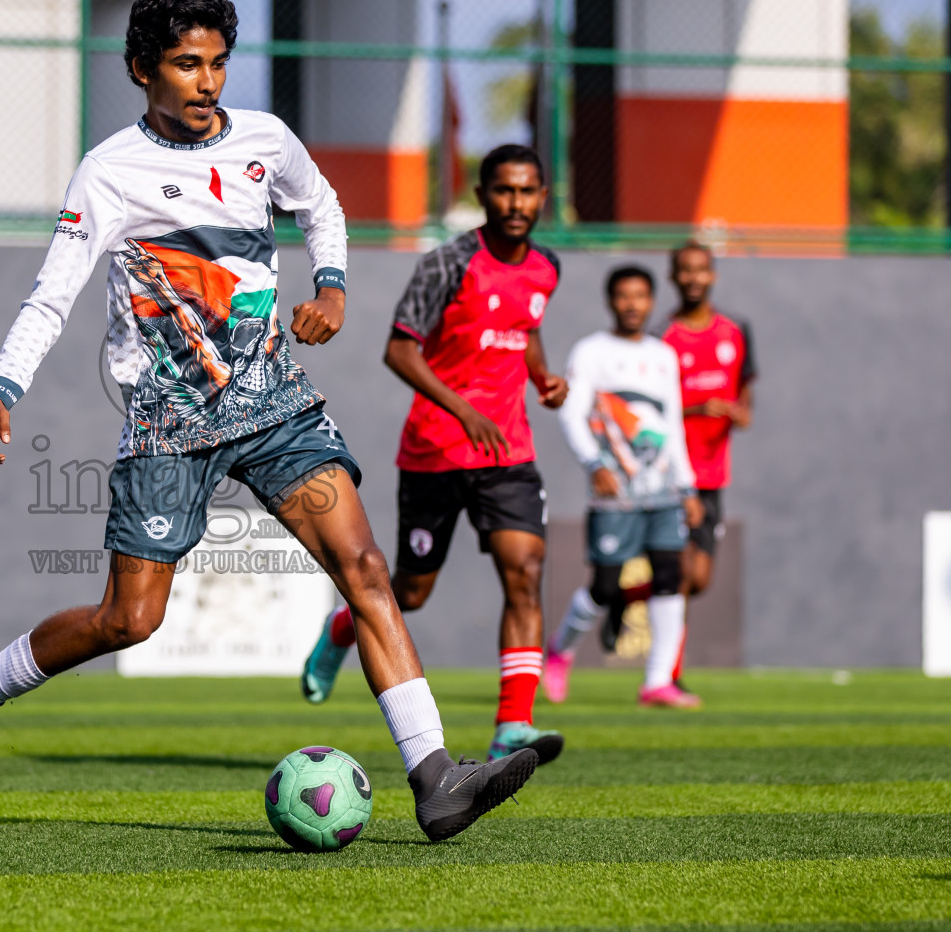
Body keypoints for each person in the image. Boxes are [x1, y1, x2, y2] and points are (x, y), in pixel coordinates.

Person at [0, 0, 538, 842]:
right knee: (128, 620)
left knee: (364, 571)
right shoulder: (108, 172)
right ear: (141, 70)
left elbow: (322, 205)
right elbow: (52, 295)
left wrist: (331, 284)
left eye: (217, 63)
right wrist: (1, 387)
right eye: (184, 64)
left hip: (275, 404)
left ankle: (435, 777)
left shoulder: (265, 142)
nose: (206, 82)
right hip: (168, 423)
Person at [298, 144, 569, 766]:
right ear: (483, 193)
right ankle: (341, 630)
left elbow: (524, 330)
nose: (516, 203)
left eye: (528, 191)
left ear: (542, 197)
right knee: (412, 594)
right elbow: (399, 350)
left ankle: (513, 725)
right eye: (504, 190)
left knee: (525, 573)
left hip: (509, 452)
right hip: (437, 451)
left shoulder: (547, 267)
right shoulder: (448, 263)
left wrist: (544, 377)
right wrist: (465, 410)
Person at [544, 265, 704, 709]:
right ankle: (560, 651)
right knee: (607, 587)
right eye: (623, 296)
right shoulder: (592, 352)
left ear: (652, 301)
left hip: (664, 491)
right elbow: (572, 414)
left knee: (671, 576)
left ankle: (657, 681)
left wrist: (687, 487)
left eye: (640, 296)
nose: (632, 304)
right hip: (616, 492)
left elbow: (672, 423)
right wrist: (594, 463)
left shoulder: (663, 355)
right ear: (611, 301)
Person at [657, 241, 755, 687]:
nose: (694, 277)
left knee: (699, 579)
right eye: (685, 270)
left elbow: (746, 390)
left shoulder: (735, 331)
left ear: (712, 274)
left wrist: (740, 411)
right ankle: (667, 676)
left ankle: (623, 598)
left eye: (701, 269)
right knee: (679, 575)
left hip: (714, 474)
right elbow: (653, 414)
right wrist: (699, 409)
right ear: (674, 277)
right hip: (674, 476)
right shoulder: (664, 340)